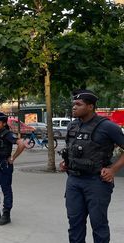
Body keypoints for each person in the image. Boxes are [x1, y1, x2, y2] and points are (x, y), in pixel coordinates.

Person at [60, 89, 124, 243]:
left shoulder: (108, 126)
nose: (74, 107)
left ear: (90, 107)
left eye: (78, 104)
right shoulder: (72, 126)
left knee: (99, 224)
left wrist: (113, 169)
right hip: (74, 181)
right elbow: (71, 149)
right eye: (73, 104)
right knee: (74, 224)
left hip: (97, 182)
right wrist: (66, 163)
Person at [0, 112, 26, 225]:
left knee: (6, 190)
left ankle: (6, 214)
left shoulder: (8, 134)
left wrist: (13, 158)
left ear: (4, 123)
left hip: (4, 166)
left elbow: (22, 144)